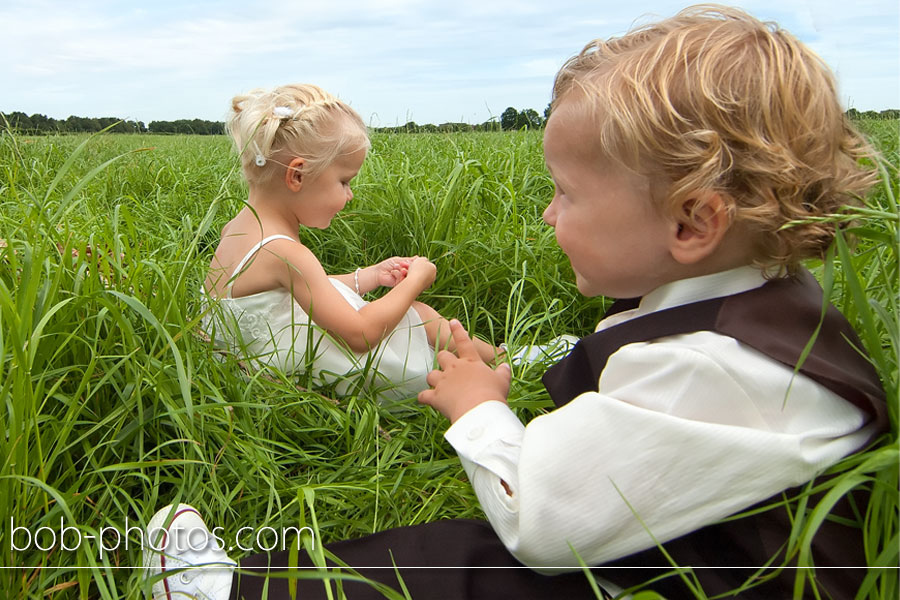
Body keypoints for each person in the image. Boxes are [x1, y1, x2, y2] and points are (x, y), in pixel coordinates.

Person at [145, 6, 888, 599]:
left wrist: (478, 409)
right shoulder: (764, 312)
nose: (547, 215)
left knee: (461, 562)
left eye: (565, 193)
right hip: (705, 554)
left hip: (690, 578)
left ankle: (223, 592)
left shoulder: (719, 371)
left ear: (691, 223)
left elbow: (538, 518)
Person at [201, 84, 498, 404]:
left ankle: (494, 358)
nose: (350, 194)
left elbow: (282, 294)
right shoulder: (285, 252)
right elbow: (360, 334)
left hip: (251, 361)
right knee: (419, 314)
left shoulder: (237, 228)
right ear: (297, 175)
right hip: (310, 368)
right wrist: (415, 282)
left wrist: (368, 276)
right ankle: (501, 361)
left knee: (403, 317)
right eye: (344, 181)